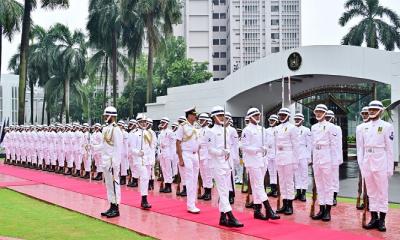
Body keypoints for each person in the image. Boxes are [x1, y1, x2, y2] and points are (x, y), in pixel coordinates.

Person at [359, 100, 394, 232]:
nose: (372, 111)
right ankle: (373, 218)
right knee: (371, 192)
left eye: (374, 109)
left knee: (382, 192)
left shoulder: (387, 126)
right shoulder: (363, 127)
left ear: (381, 111)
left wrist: (390, 168)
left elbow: (390, 150)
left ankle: (382, 220)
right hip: (367, 160)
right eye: (370, 109)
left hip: (381, 161)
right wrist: (362, 164)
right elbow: (361, 148)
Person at [206, 106, 243, 227]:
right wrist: (221, 152)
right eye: (220, 115)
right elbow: (210, 150)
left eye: (223, 115)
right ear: (214, 117)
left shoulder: (226, 130)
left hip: (226, 164)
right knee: (222, 191)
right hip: (217, 164)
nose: (222, 117)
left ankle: (222, 218)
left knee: (226, 191)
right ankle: (231, 217)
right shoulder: (210, 131)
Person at [241, 107, 280, 220]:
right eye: (255, 115)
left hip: (262, 160)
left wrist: (265, 150)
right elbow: (245, 147)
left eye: (258, 114)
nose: (258, 116)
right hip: (252, 161)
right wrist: (258, 149)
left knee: (256, 185)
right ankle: (268, 209)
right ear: (250, 116)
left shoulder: (262, 129)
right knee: (259, 185)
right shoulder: (246, 130)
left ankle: (257, 211)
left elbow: (266, 143)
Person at [91, 106, 123, 218]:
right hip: (105, 162)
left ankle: (116, 208)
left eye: (106, 115)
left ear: (111, 116)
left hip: (112, 163)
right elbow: (104, 146)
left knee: (114, 185)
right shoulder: (105, 129)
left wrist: (116, 164)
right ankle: (111, 205)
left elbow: (119, 148)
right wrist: (92, 147)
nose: (104, 117)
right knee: (109, 185)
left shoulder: (116, 129)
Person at [310, 104, 337, 222]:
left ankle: (328, 211)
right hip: (317, 157)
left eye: (321, 112)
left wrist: (334, 162)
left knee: (328, 186)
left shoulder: (331, 127)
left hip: (327, 157)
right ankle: (321, 209)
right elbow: (312, 144)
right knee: (319, 185)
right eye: (317, 111)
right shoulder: (314, 127)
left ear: (325, 113)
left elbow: (335, 146)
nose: (318, 113)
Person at [176, 107, 201, 213]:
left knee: (195, 179)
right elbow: (177, 142)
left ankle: (193, 202)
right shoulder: (182, 126)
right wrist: (180, 158)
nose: (196, 116)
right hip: (186, 155)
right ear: (189, 115)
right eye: (194, 114)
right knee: (190, 179)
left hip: (195, 155)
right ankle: (190, 205)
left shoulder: (195, 126)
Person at [274, 108, 299, 215]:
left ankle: (290, 205)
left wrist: (295, 161)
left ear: (288, 116)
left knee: (289, 182)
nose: (282, 117)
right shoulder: (277, 128)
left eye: (284, 115)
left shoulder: (292, 128)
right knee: (282, 182)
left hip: (289, 156)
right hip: (279, 156)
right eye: (280, 115)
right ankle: (284, 203)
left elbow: (296, 145)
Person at [130, 114, 154, 209]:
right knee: (144, 177)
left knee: (146, 179)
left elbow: (151, 148)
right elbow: (132, 149)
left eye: (145, 122)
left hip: (147, 160)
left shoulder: (148, 133)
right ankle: (144, 200)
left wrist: (152, 160)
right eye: (141, 122)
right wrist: (138, 153)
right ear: (138, 123)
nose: (144, 124)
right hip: (139, 159)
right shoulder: (134, 134)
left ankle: (144, 199)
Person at [325, 110, 343, 206]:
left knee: (334, 178)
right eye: (326, 117)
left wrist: (339, 158)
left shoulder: (337, 128)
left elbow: (339, 144)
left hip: (335, 156)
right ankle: (326, 197)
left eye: (329, 117)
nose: (327, 119)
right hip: (325, 157)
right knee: (326, 178)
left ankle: (334, 197)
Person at [293, 113, 311, 202]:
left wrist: (309, 157)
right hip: (295, 154)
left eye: (298, 119)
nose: (297, 120)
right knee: (296, 174)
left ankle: (303, 192)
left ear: (302, 120)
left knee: (304, 174)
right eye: (295, 119)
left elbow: (309, 144)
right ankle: (298, 191)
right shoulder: (292, 129)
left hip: (303, 153)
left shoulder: (306, 130)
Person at [355, 106, 370, 209]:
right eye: (363, 113)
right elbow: (358, 145)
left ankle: (370, 202)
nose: (365, 115)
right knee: (361, 181)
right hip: (362, 157)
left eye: (366, 113)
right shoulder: (359, 127)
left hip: (372, 157)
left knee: (371, 181)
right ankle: (363, 201)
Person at [157, 117, 175, 193]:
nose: (162, 124)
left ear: (167, 124)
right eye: (161, 123)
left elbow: (173, 144)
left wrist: (172, 155)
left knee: (168, 169)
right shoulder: (161, 132)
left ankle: (169, 186)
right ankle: (166, 184)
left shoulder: (170, 132)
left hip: (168, 151)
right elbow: (158, 144)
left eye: (163, 123)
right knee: (164, 169)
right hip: (162, 151)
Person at [197, 113, 212, 201]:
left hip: (207, 154)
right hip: (200, 154)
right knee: (203, 174)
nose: (201, 122)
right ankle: (205, 191)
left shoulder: (209, 131)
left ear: (206, 121)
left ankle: (208, 193)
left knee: (208, 174)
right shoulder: (198, 131)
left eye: (202, 120)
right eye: (200, 120)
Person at [266, 114, 279, 197]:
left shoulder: (278, 129)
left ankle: (276, 190)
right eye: (270, 120)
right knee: (271, 172)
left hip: (276, 153)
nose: (271, 122)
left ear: (276, 121)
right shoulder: (266, 130)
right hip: (268, 153)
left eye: (273, 120)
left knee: (276, 172)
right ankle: (272, 189)